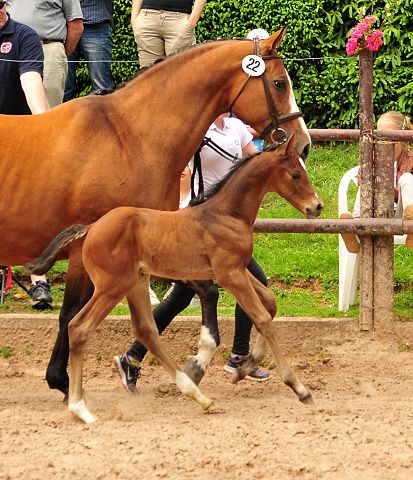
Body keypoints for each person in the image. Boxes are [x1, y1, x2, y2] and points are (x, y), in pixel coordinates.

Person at [114, 113, 271, 394]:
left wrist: (275, 143)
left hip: (224, 228)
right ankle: (236, 356)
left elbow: (256, 162)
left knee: (187, 296)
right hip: (196, 222)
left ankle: (133, 358)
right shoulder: (199, 127)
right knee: (199, 293)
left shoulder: (235, 127)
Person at [0, 1, 53, 308]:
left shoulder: (24, 35)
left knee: (33, 207)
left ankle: (39, 279)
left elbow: (30, 80)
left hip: (20, 136)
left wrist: (43, 126)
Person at [341, 111, 413, 253]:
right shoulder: (372, 160)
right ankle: (355, 227)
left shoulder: (411, 160)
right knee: (369, 178)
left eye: (390, 136)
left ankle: (412, 226)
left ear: (402, 136)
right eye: (380, 136)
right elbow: (363, 184)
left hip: (400, 215)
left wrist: (393, 192)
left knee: (407, 178)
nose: (385, 141)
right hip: (375, 212)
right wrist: (377, 186)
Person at [7, 0, 84, 108]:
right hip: (10, 49)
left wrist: (59, 53)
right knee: (7, 108)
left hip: (48, 51)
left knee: (47, 112)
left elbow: (76, 27)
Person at [131, 0, 207, 68]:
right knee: (149, 77)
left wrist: (192, 21)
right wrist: (134, 18)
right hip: (147, 19)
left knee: (180, 75)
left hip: (179, 21)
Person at [64, 0, 113, 101]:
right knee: (61, 86)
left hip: (96, 22)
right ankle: (59, 117)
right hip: (66, 24)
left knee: (101, 89)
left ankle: (103, 117)